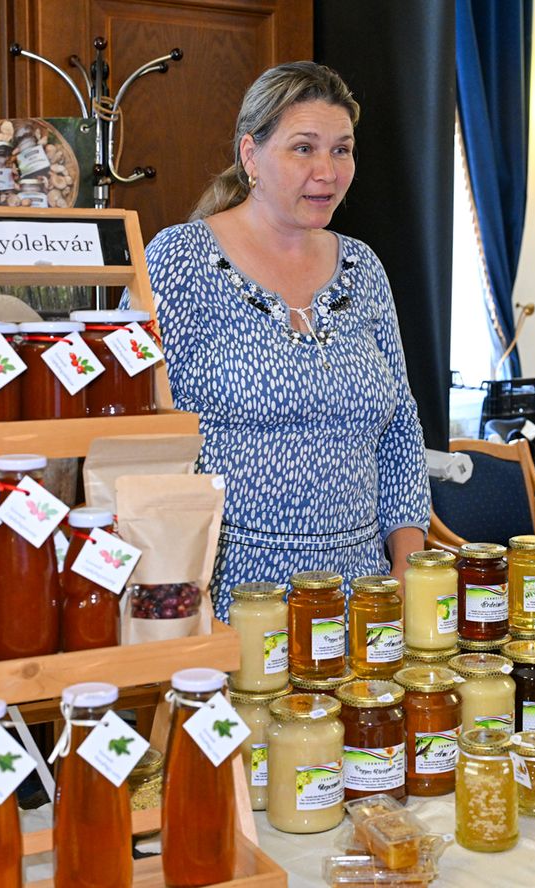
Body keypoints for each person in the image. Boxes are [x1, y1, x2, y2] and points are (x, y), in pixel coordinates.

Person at [136, 62, 430, 620]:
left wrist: (405, 571)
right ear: (251, 155)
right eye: (303, 148)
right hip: (228, 587)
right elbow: (148, 429)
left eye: (342, 150)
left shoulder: (363, 267)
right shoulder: (180, 259)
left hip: (360, 589)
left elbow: (400, 429)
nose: (327, 171)